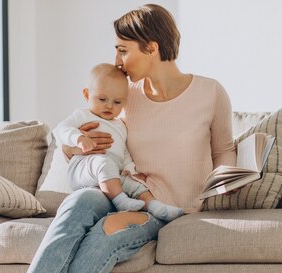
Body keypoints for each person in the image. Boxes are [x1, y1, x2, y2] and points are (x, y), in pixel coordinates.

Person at [0, 3, 235, 273]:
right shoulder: (125, 97)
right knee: (77, 203)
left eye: (123, 49)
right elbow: (76, 138)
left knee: (109, 230)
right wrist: (78, 142)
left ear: (152, 47)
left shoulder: (210, 92)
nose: (118, 59)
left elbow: (224, 152)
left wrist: (219, 189)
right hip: (117, 190)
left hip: (163, 208)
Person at [54, 62, 185, 221]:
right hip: (82, 169)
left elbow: (124, 152)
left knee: (135, 185)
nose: (109, 105)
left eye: (117, 102)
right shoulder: (83, 115)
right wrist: (79, 138)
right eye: (102, 99)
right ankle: (121, 202)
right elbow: (60, 129)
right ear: (87, 95)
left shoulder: (121, 126)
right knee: (103, 162)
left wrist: (131, 170)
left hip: (111, 174)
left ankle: (154, 206)